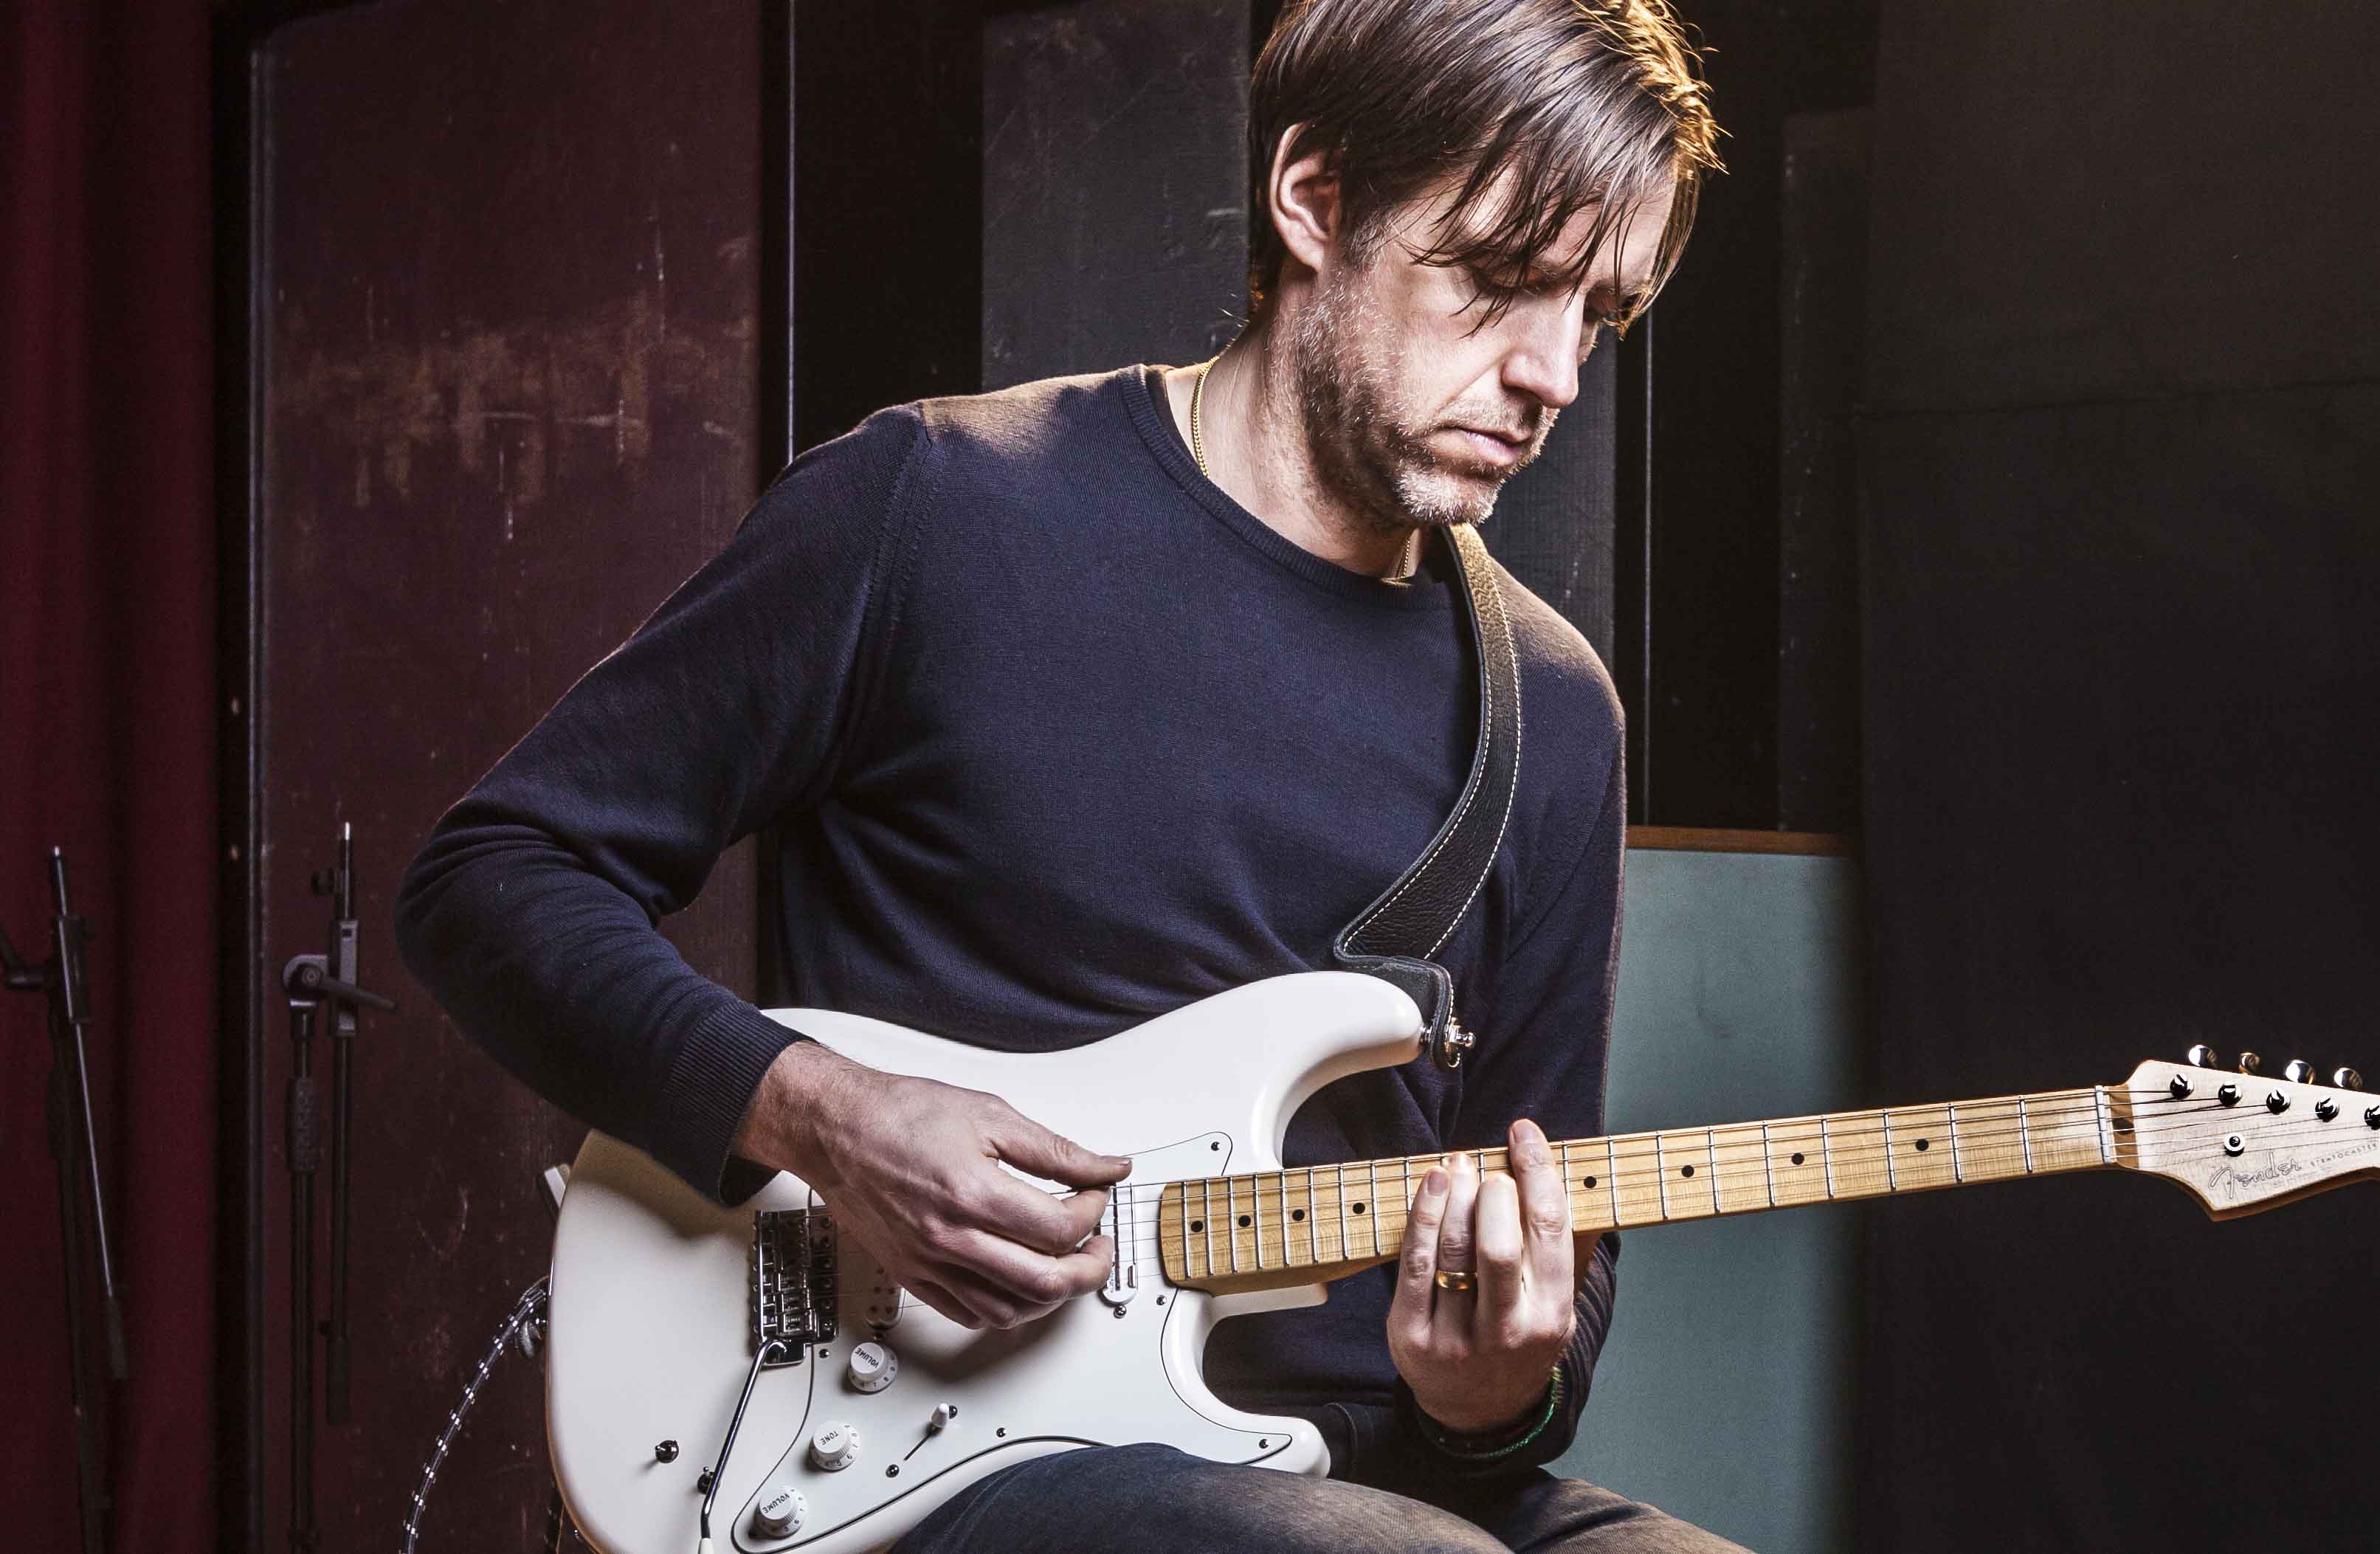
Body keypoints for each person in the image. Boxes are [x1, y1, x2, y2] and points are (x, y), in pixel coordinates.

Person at [397, 1, 1734, 1547]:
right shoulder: (936, 510)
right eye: (1500, 278)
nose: (1554, 371)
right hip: (936, 1454)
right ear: (1314, 198)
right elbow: (489, 879)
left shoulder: (1552, 713)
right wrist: (819, 1116)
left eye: (1597, 315)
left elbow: (1549, 1242)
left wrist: (1492, 1393)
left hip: (1362, 1470)